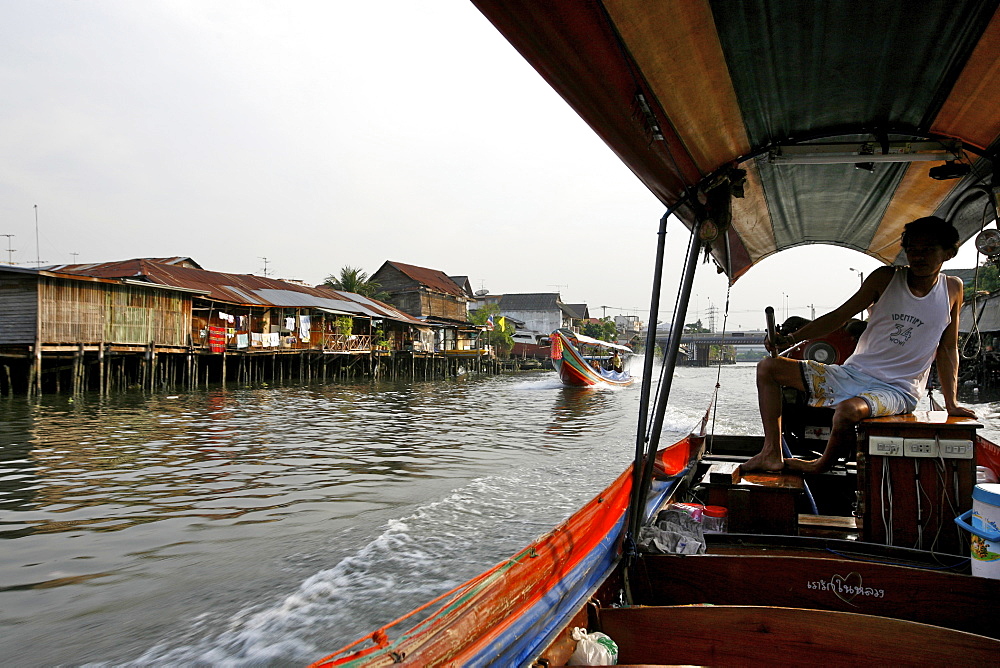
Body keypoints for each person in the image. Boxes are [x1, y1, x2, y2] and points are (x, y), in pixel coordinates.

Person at [742, 216, 977, 475]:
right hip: (852, 374)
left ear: (949, 252)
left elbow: (947, 348)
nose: (918, 257)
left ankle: (820, 465)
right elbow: (839, 317)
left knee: (846, 412)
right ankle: (771, 453)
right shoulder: (886, 279)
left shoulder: (952, 288)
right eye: (912, 250)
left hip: (897, 389)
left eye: (928, 250)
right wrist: (790, 339)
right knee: (768, 368)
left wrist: (952, 402)